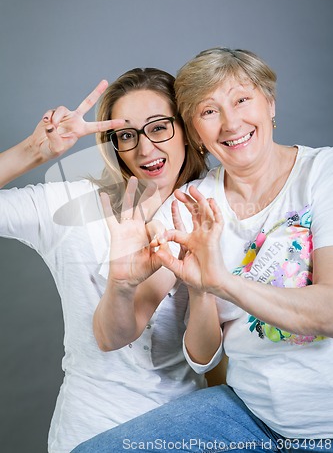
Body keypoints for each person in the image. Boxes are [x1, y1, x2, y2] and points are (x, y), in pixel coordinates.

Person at [73, 48, 333, 453]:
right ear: (194, 131)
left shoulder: (324, 174)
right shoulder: (187, 204)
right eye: (209, 111)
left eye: (242, 99)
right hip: (249, 419)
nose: (231, 123)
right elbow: (197, 358)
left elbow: (329, 312)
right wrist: (125, 283)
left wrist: (221, 283)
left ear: (270, 103)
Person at [0, 67, 212, 453]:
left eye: (160, 127)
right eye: (127, 134)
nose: (145, 149)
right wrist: (35, 150)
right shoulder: (66, 205)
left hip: (184, 430)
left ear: (186, 131)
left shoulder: (214, 211)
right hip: (89, 431)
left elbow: (216, 359)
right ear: (114, 143)